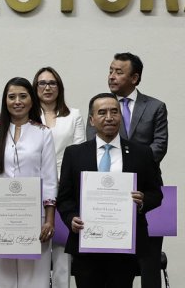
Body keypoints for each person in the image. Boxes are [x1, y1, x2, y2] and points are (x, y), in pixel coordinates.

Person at [57, 93, 164, 288]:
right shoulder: (74, 154)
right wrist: (70, 217)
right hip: (86, 243)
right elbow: (64, 198)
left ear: (120, 117)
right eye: (102, 112)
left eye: (114, 112)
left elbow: (156, 194)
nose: (109, 117)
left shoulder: (141, 153)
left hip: (124, 246)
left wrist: (143, 201)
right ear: (92, 120)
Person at [0, 77, 57, 288]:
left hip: (34, 218)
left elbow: (50, 180)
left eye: (23, 96)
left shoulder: (43, 133)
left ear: (32, 100)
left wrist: (49, 220)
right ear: (5, 101)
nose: (17, 101)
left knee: (35, 279)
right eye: (12, 97)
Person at [98, 51, 168, 288]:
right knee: (114, 262)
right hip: (109, 192)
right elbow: (94, 146)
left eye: (118, 72)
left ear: (135, 78)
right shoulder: (100, 106)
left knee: (149, 260)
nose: (111, 76)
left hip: (147, 191)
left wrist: (129, 166)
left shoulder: (156, 107)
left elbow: (159, 146)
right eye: (110, 71)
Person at [34, 65, 86, 287]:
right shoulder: (26, 116)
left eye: (52, 83)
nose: (47, 87)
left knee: (62, 255)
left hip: (65, 189)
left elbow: (79, 152)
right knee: (36, 248)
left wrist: (62, 181)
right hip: (35, 188)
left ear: (59, 87)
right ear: (35, 87)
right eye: (42, 83)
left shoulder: (73, 115)